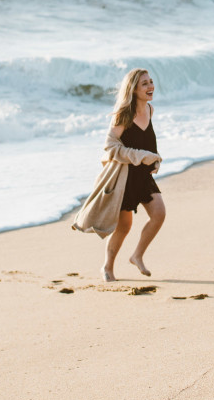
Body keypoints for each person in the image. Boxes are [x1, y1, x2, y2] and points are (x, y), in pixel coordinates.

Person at [71, 69, 166, 282]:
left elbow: (148, 144)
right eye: (144, 84)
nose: (150, 86)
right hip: (123, 178)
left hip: (143, 177)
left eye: (151, 82)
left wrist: (154, 160)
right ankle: (107, 267)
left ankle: (137, 255)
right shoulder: (124, 114)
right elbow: (110, 147)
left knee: (159, 214)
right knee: (124, 227)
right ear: (133, 89)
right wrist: (142, 156)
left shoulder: (150, 110)